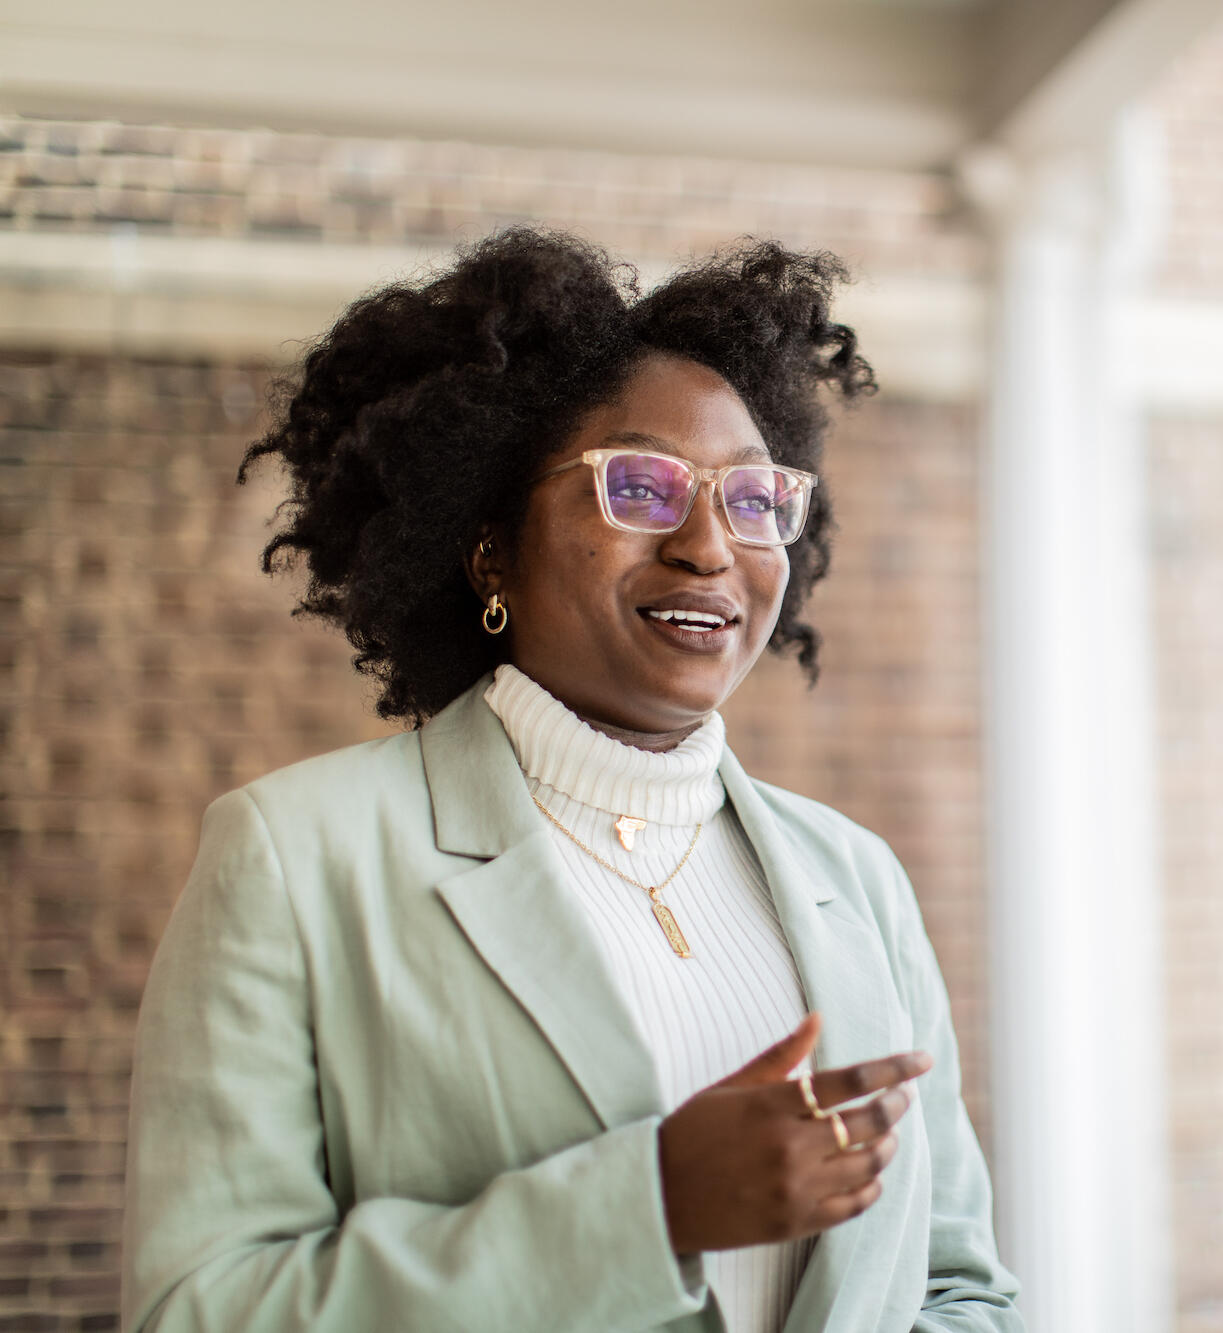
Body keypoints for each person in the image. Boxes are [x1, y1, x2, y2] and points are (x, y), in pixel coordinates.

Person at [121, 228, 1022, 1333]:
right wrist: (648, 1209)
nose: (708, 545)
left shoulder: (855, 877)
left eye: (752, 499)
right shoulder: (295, 857)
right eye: (638, 487)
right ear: (487, 543)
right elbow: (200, 1309)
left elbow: (961, 1292)